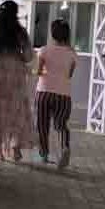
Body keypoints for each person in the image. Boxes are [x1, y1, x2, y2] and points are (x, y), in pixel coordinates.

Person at [0, 0, 36, 162]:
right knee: (16, 109)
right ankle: (15, 145)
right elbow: (29, 56)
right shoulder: (21, 32)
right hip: (16, 73)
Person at [36, 19, 77, 168]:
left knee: (42, 124)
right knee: (61, 124)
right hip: (63, 94)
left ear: (52, 34)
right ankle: (65, 147)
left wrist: (42, 71)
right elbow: (70, 74)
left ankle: (44, 154)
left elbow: (39, 71)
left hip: (44, 92)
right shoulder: (72, 53)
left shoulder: (44, 50)